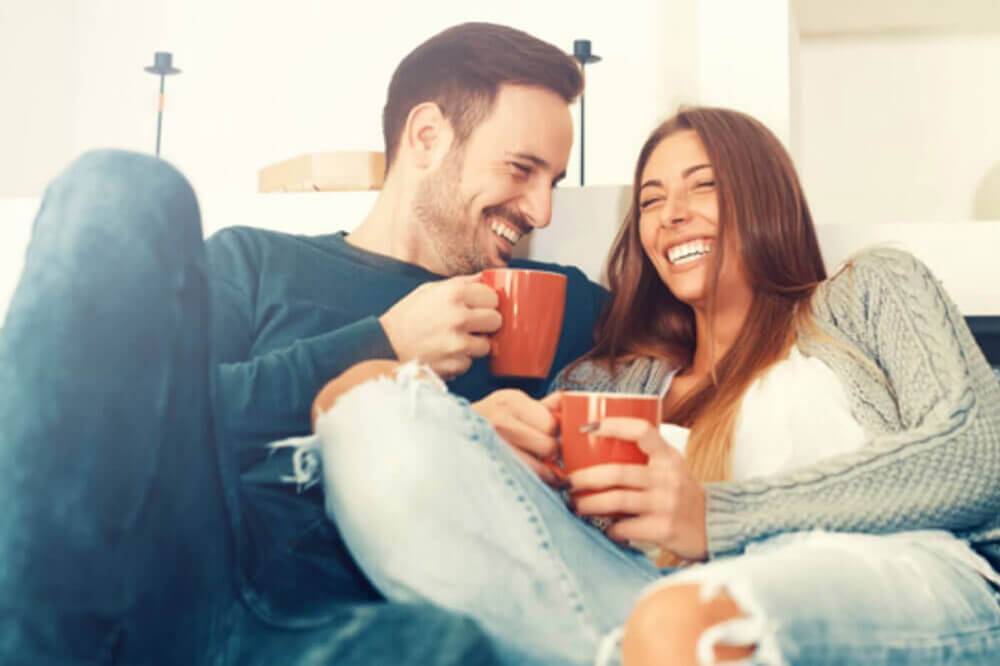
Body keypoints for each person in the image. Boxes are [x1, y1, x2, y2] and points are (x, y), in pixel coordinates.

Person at [0, 22, 605, 664]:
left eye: (554, 182)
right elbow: (120, 428)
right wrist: (383, 344)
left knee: (447, 648)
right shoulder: (254, 263)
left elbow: (705, 328)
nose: (541, 212)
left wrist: (455, 442)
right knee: (117, 189)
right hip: (177, 591)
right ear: (427, 137)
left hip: (347, 632)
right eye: (521, 169)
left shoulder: (544, 302)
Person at [305, 107, 1000, 666]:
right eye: (650, 200)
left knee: (684, 626)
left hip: (900, 579)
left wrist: (715, 517)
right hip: (644, 607)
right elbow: (557, 548)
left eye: (703, 185)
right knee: (363, 396)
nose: (670, 215)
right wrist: (493, 445)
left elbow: (980, 455)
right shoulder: (610, 379)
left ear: (765, 196)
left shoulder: (867, 293)